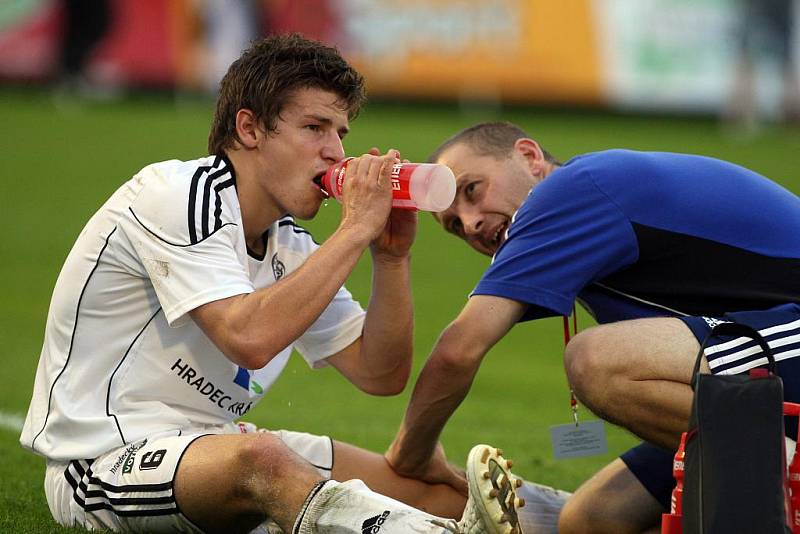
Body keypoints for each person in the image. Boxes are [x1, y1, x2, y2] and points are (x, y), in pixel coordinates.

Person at [20, 35, 523, 534]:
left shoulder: (290, 243)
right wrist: (353, 229)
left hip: (215, 446)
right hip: (101, 463)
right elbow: (248, 340)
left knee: (427, 489)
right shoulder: (177, 193)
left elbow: (381, 373)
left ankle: (578, 516)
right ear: (250, 128)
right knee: (263, 458)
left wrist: (390, 258)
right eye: (314, 127)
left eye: (340, 133)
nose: (335, 153)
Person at [385, 121, 800, 533]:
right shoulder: (578, 216)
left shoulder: (570, 190)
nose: (471, 223)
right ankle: (772, 467)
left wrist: (409, 456)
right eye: (455, 224)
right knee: (593, 516)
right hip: (770, 353)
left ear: (529, 156)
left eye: (472, 190)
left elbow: (461, 347)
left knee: (596, 360)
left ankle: (779, 468)